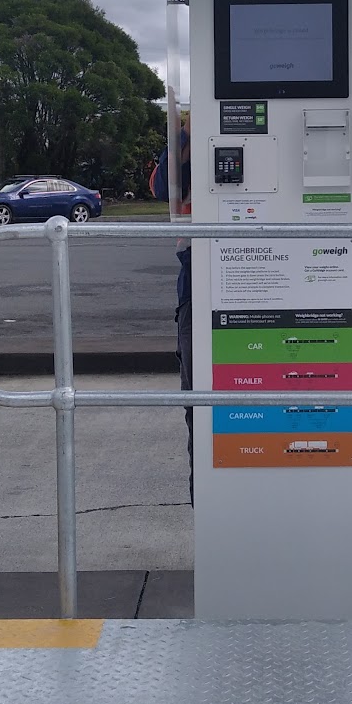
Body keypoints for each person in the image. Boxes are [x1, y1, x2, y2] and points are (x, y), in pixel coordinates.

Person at [151, 118, 193, 504]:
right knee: (200, 398)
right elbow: (163, 188)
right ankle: (210, 503)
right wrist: (181, 136)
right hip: (196, 273)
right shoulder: (185, 145)